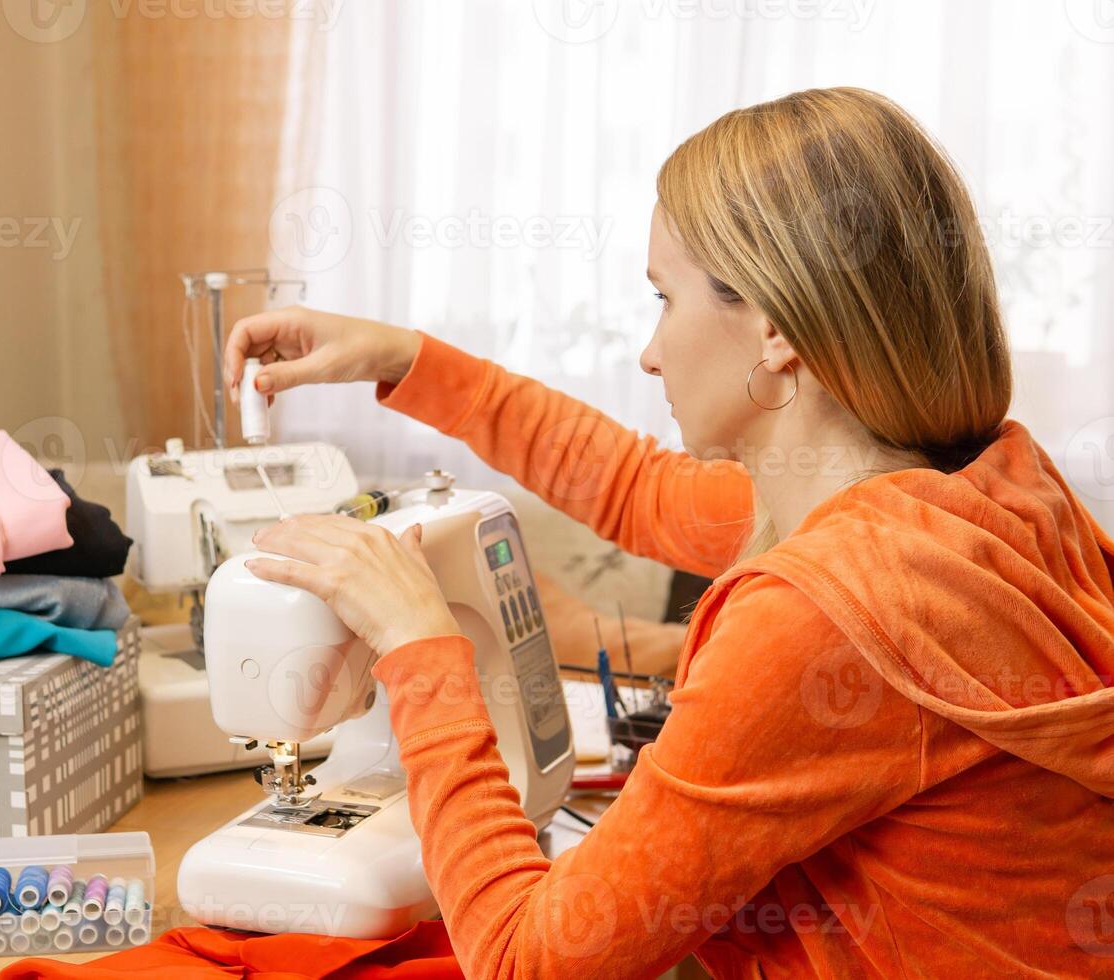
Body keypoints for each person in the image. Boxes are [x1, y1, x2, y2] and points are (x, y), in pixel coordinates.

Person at [222, 88, 1114, 979]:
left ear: (772, 327)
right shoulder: (981, 502)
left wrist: (420, 647)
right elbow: (638, 490)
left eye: (662, 298)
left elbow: (528, 960)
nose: (649, 352)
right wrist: (407, 359)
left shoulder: (830, 608)